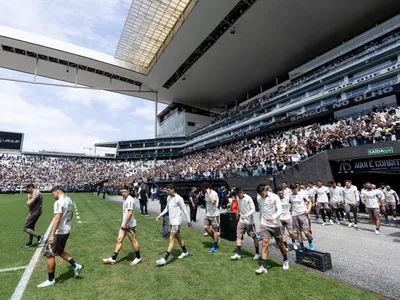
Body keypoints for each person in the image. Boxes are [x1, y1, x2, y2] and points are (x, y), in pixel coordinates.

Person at [37, 186, 83, 288]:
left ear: (57, 192)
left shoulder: (58, 202)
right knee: (60, 250)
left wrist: (52, 234)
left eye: (53, 194)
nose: (53, 197)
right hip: (66, 229)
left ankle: (50, 280)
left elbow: (57, 218)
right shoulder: (69, 200)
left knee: (49, 253)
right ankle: (76, 265)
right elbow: (71, 215)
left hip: (60, 231)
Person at [103, 186, 141, 265]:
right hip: (124, 224)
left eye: (125, 192)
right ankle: (113, 258)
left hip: (129, 225)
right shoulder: (125, 200)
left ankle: (138, 257)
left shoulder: (130, 200)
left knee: (133, 241)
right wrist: (123, 224)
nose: (123, 193)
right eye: (122, 192)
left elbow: (130, 213)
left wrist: (124, 224)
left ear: (128, 191)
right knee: (119, 239)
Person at [255, 184, 288, 274]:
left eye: (262, 194)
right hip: (264, 224)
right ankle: (263, 266)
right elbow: (261, 210)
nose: (261, 196)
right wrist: (260, 221)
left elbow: (280, 210)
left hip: (275, 225)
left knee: (280, 244)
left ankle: (285, 259)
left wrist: (273, 217)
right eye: (260, 194)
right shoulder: (258, 198)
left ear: (266, 190)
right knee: (265, 244)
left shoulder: (275, 197)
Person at [156, 184, 192, 265]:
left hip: (177, 222)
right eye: (167, 190)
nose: (167, 191)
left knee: (171, 238)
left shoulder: (179, 198)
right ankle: (185, 252)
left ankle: (165, 259)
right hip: (172, 221)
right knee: (178, 237)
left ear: (173, 190)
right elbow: (167, 208)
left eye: (168, 190)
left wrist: (189, 221)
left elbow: (185, 210)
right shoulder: (168, 197)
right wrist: (160, 215)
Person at [230, 187, 259, 261]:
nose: (238, 195)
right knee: (238, 235)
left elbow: (253, 209)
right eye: (237, 193)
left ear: (242, 192)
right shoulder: (237, 197)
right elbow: (239, 206)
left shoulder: (248, 198)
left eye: (239, 193)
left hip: (249, 222)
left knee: (254, 237)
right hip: (241, 220)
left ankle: (257, 253)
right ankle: (238, 254)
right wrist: (237, 213)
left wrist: (246, 215)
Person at [289, 184, 314, 251]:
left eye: (295, 189)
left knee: (306, 232)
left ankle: (310, 242)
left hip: (303, 214)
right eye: (292, 189)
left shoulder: (302, 194)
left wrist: (308, 209)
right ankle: (302, 246)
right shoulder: (289, 196)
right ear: (291, 189)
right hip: (294, 215)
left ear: (297, 188)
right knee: (298, 232)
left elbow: (309, 202)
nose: (294, 190)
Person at [202, 182, 220, 253]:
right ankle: (216, 239)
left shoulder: (214, 193)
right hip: (208, 214)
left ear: (208, 188)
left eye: (205, 189)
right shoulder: (206, 194)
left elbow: (213, 201)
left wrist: (209, 193)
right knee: (205, 228)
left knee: (215, 230)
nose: (204, 190)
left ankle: (215, 246)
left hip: (214, 214)